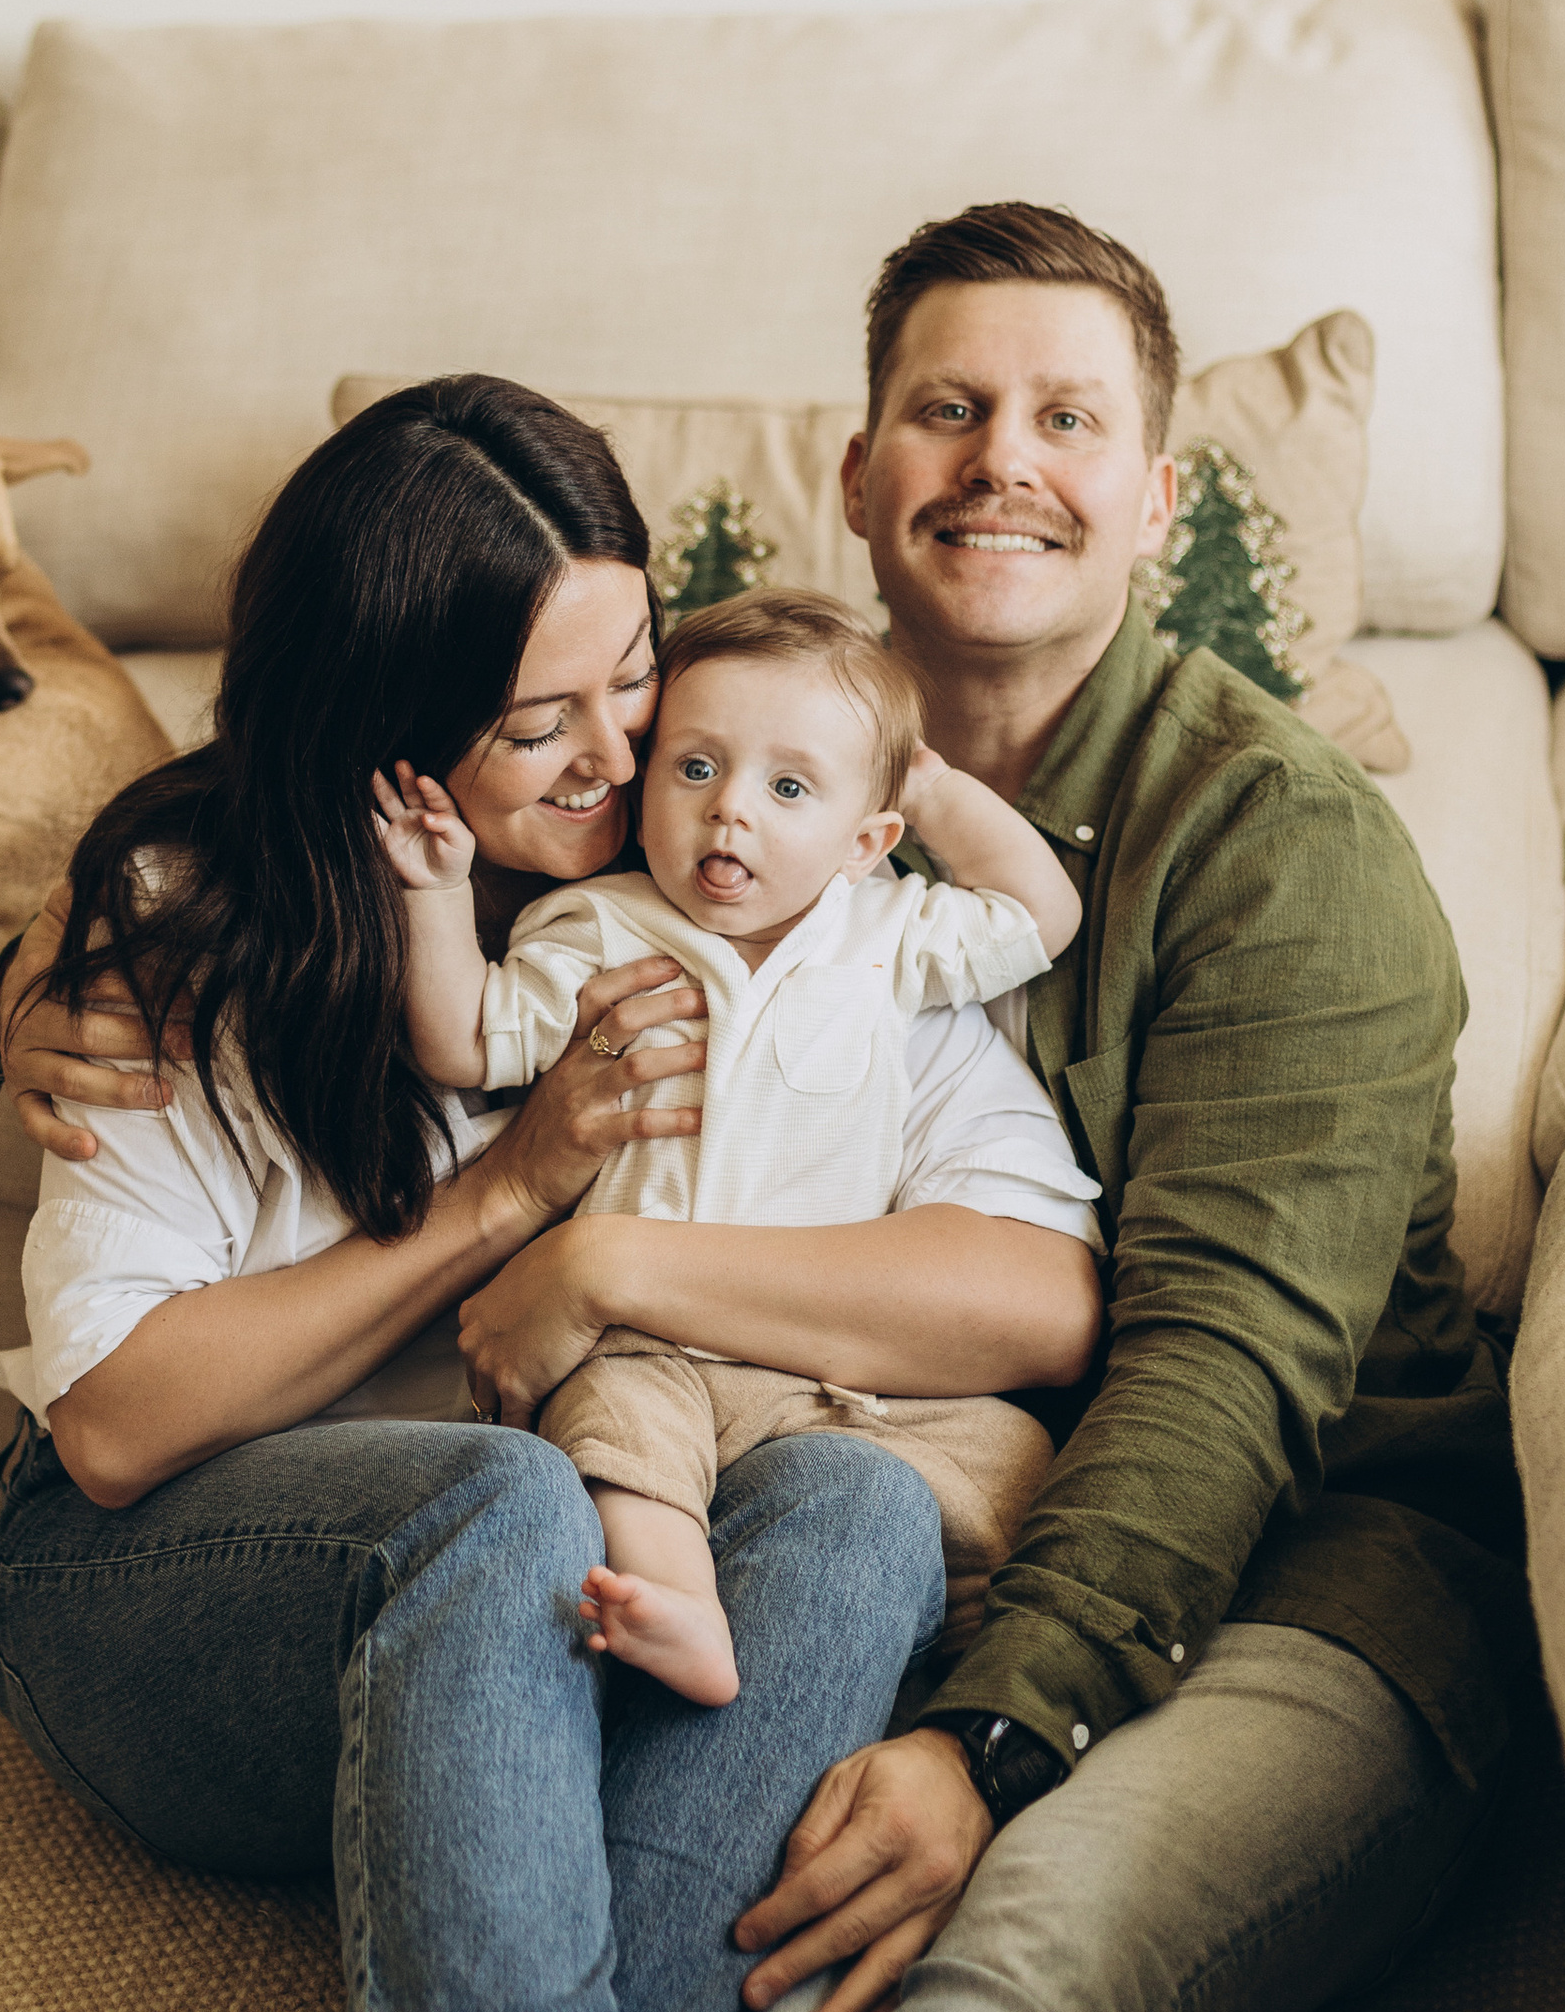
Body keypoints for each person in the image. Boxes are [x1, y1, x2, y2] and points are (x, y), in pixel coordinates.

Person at [3, 208, 1536, 2012]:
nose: (1004, 466)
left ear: (1166, 491)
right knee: (656, 1575)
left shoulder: (1213, 851)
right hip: (540, 1499)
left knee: (948, 1824)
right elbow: (278, 931)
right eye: (949, 409)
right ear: (849, 472)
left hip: (1261, 1544)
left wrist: (990, 1723)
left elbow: (1190, 1355)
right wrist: (33, 985)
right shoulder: (663, 796)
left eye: (1070, 417)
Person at [0, 373, 1104, 2012]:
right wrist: (507, 1207)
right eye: (547, 721)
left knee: (853, 1519)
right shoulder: (184, 936)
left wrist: (630, 1233)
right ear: (394, 742)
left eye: (638, 690)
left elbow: (1020, 1283)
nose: (628, 761)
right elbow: (118, 1429)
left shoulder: (735, 915)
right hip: (180, 1601)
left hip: (519, 1655)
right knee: (488, 1501)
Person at [374, 588, 1083, 1705]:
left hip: (831, 1360)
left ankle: (959, 1628)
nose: (730, 813)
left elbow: (1041, 912)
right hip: (645, 1343)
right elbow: (467, 1036)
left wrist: (935, 787)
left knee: (1010, 1458)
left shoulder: (888, 936)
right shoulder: (598, 929)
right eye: (695, 770)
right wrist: (435, 893)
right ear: (644, 788)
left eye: (787, 787)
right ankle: (679, 1605)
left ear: (865, 840)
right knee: (606, 1426)